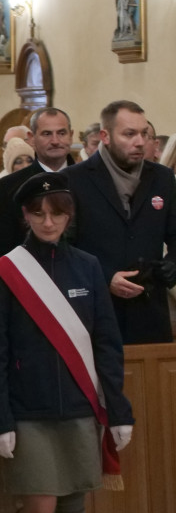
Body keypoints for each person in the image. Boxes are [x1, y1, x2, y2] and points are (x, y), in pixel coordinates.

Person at [0, 173, 134, 513]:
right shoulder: (7, 271)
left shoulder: (88, 266)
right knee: (39, 509)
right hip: (29, 410)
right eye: (38, 213)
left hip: (81, 403)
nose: (48, 222)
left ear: (70, 215)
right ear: (25, 216)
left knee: (73, 510)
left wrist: (119, 410)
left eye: (57, 213)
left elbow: (107, 344)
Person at [63, 100, 176, 344]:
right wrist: (104, 278)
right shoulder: (75, 180)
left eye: (144, 134)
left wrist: (172, 263)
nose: (139, 142)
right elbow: (63, 246)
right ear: (105, 136)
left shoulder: (162, 178)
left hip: (149, 309)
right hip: (96, 309)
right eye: (129, 134)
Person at [0, 107, 75, 271]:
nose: (55, 140)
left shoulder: (90, 181)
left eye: (61, 133)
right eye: (46, 134)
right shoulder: (8, 187)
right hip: (27, 285)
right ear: (31, 138)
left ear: (71, 135)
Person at [0, 136, 35, 204]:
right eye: (19, 162)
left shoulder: (39, 180)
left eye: (29, 161)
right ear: (10, 166)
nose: (26, 165)